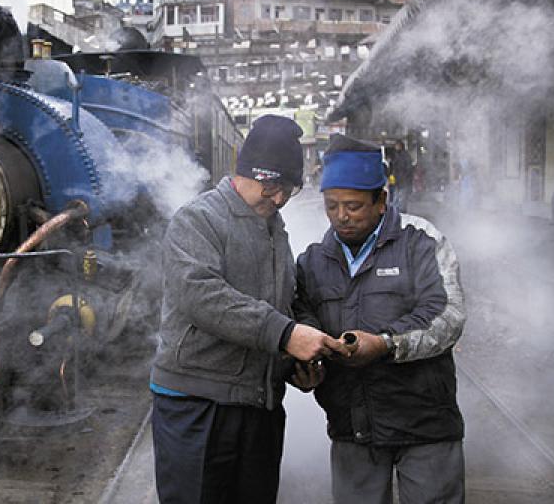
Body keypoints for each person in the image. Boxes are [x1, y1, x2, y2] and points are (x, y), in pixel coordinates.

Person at [149, 115, 353, 504]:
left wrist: (295, 365)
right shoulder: (198, 219)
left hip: (258, 405)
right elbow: (202, 297)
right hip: (199, 405)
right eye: (272, 186)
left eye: (288, 191)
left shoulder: (275, 230)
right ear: (245, 172)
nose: (278, 199)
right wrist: (286, 335)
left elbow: (287, 300)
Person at [294, 134, 467, 504]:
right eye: (332, 206)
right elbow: (304, 322)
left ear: (381, 200)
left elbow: (447, 315)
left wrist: (387, 344)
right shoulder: (311, 262)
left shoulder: (421, 241)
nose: (342, 216)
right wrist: (308, 364)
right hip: (352, 428)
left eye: (354, 206)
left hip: (425, 425)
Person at [389, 140, 413, 212]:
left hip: (402, 180)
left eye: (397, 145)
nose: (396, 147)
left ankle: (400, 212)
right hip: (398, 180)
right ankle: (396, 211)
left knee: (401, 198)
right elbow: (392, 169)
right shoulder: (396, 155)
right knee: (396, 197)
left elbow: (408, 169)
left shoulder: (404, 156)